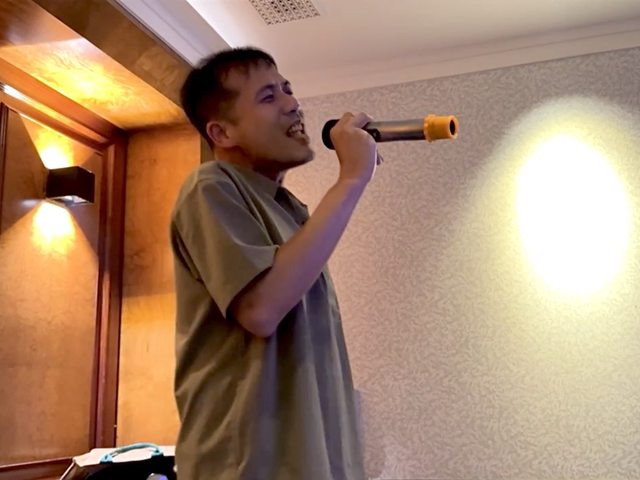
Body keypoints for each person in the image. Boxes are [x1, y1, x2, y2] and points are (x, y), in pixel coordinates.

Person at [170, 46, 380, 480]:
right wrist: (351, 179)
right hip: (245, 465)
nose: (292, 103)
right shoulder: (209, 186)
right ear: (222, 133)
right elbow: (261, 310)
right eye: (269, 97)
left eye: (287, 89)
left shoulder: (290, 209)